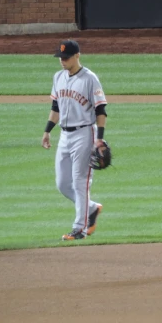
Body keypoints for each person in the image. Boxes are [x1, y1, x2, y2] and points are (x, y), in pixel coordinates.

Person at [42, 40, 107, 241]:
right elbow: (56, 108)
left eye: (66, 57)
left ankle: (79, 228)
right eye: (61, 57)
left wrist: (99, 140)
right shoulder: (58, 77)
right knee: (62, 183)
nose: (62, 61)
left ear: (77, 55)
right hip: (64, 135)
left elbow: (101, 110)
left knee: (80, 181)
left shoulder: (90, 79)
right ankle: (92, 208)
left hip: (84, 134)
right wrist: (47, 131)